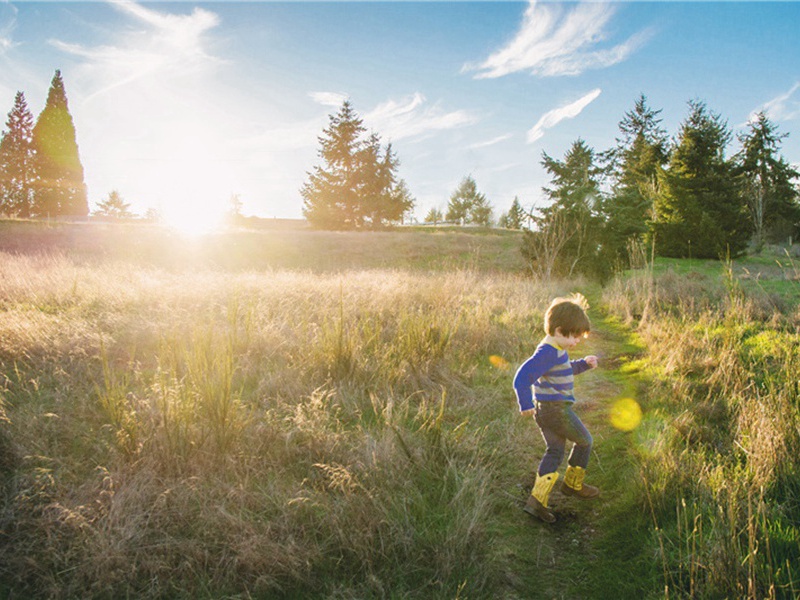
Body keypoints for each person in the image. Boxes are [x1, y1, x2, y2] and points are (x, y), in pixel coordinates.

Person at [513, 295, 599, 523]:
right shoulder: (548, 352)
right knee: (585, 441)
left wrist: (583, 364)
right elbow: (521, 377)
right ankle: (572, 485)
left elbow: (563, 369)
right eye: (575, 337)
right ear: (560, 331)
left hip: (546, 411)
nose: (578, 342)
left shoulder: (555, 350)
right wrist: (525, 403)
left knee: (555, 452)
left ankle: (536, 502)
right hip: (555, 411)